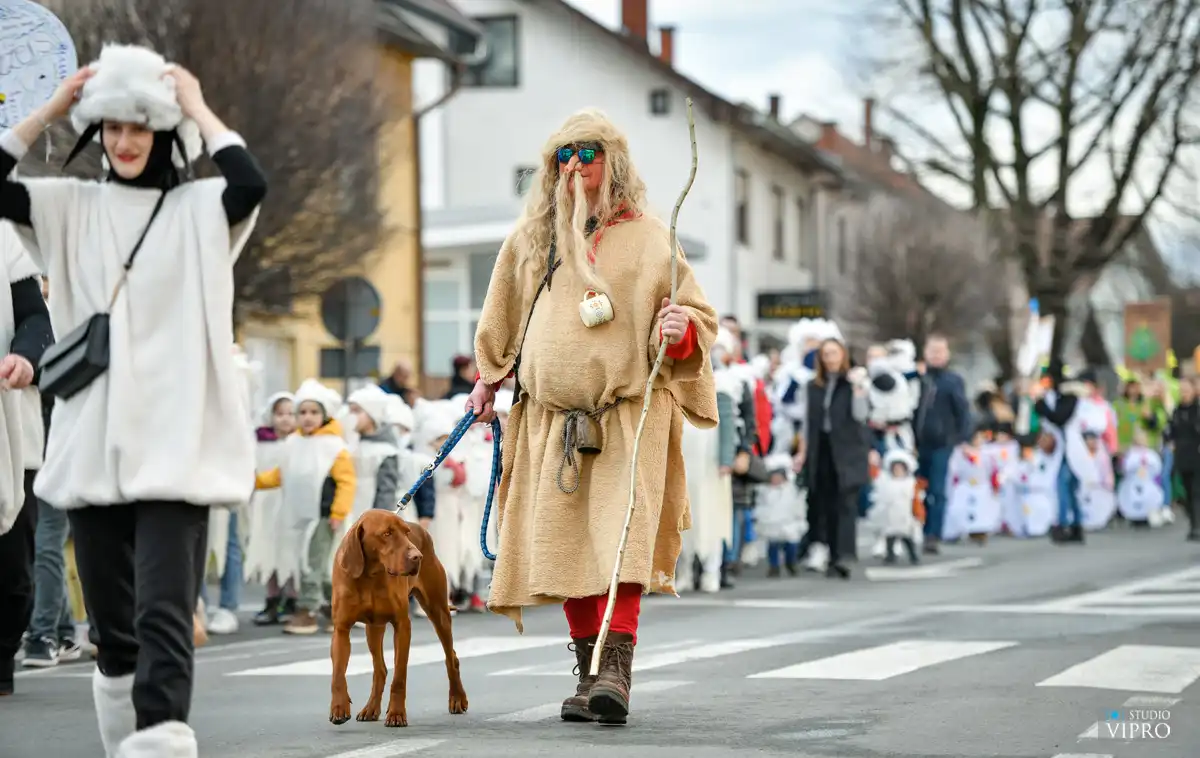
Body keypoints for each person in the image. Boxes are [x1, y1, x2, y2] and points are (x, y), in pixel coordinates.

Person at [0, 44, 266, 752]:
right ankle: (131, 741)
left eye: (138, 127)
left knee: (162, 614)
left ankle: (160, 740)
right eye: (111, 126)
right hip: (93, 448)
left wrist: (200, 106)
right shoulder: (69, 208)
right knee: (114, 633)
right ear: (96, 130)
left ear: (162, 132)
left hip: (176, 448)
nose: (123, 141)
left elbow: (249, 182)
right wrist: (52, 108)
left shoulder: (201, 208)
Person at [465, 108, 718, 726]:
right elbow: (502, 316)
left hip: (630, 416)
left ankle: (614, 672)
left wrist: (679, 332)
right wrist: (488, 380)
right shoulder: (531, 239)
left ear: (615, 163)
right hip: (549, 421)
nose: (575, 165)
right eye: (564, 155)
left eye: (589, 153)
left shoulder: (654, 237)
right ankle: (588, 673)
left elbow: (695, 320)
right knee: (570, 546)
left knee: (620, 542)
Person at [254, 379, 356, 635]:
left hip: (323, 516)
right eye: (303, 412)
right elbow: (281, 474)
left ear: (324, 415)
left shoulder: (335, 447)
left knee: (314, 563)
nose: (307, 418)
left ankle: (307, 611)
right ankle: (339, 608)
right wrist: (254, 481)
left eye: (314, 412)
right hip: (298, 516)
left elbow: (346, 482)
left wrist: (338, 513)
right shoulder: (293, 444)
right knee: (313, 564)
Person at [0, 227, 55, 693]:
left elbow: (37, 322)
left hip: (9, 427)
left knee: (12, 567)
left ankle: (1, 656)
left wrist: (24, 357)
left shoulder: (5, 242)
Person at [794, 337, 872, 579]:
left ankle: (844, 555)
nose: (830, 359)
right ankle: (830, 552)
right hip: (822, 448)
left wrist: (859, 389)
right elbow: (808, 422)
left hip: (848, 449)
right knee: (825, 502)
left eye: (834, 353)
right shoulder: (813, 386)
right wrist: (803, 452)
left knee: (846, 502)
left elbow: (862, 415)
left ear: (843, 355)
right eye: (825, 354)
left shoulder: (853, 382)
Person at [913, 334, 972, 554]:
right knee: (916, 488)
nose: (936, 355)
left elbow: (963, 411)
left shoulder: (952, 380)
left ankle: (932, 534)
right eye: (932, 350)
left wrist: (963, 438)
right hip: (916, 443)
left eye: (940, 351)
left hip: (942, 443)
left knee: (937, 489)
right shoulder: (917, 378)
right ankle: (913, 528)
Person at [1167, 377, 1200, 540]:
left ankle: (1197, 527)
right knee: (1185, 493)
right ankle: (1193, 522)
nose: (1184, 394)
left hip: (1197, 454)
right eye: (1182, 391)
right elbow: (1171, 431)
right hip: (1182, 455)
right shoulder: (1177, 410)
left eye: (1187, 390)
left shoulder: (1197, 409)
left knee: (1196, 492)